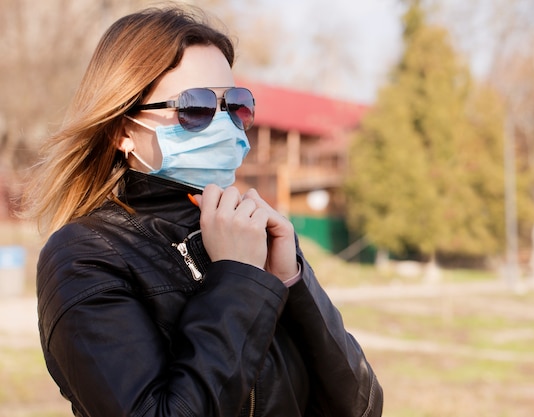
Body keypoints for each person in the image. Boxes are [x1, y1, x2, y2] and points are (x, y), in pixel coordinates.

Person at [19, 4, 383, 417]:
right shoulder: (85, 257)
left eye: (237, 105)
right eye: (196, 107)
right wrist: (239, 280)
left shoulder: (252, 232)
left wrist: (293, 282)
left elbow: (361, 407)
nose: (225, 124)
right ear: (123, 129)